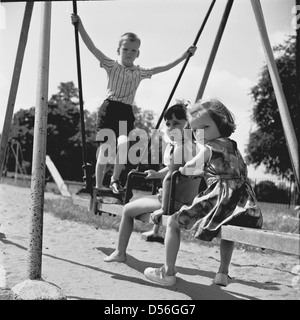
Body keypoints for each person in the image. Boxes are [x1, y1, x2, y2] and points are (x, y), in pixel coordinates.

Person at [71, 14, 197, 194]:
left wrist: (185, 55)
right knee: (106, 149)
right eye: (125, 49)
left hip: (125, 112)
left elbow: (164, 68)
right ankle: (98, 185)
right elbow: (92, 47)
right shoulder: (111, 65)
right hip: (109, 109)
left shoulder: (139, 72)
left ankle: (115, 180)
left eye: (133, 50)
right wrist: (79, 25)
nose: (129, 53)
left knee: (123, 145)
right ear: (118, 50)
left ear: (138, 53)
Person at [144, 99, 263, 287]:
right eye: (196, 130)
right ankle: (223, 273)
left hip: (220, 199)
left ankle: (167, 272)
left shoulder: (208, 147)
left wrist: (184, 170)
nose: (201, 134)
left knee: (174, 222)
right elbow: (231, 172)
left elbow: (191, 165)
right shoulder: (233, 146)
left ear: (221, 123)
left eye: (205, 127)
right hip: (241, 204)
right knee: (228, 231)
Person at [104, 102, 202, 262]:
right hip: (184, 199)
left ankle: (120, 253)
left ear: (189, 124)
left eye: (177, 123)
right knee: (137, 206)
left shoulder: (182, 148)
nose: (171, 128)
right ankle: (121, 252)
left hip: (173, 202)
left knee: (127, 210)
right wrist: (157, 174)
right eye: (168, 124)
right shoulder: (192, 147)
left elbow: (170, 177)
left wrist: (164, 208)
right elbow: (173, 170)